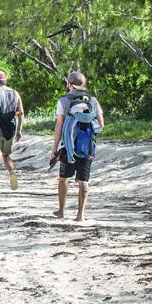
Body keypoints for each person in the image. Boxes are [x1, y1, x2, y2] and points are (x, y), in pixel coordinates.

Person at [51, 71, 105, 222]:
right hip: (87, 146)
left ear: (69, 84)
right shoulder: (93, 101)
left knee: (63, 178)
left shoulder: (63, 101)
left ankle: (61, 211)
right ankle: (80, 215)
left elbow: (59, 125)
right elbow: (101, 125)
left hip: (67, 146)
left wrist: (54, 148)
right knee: (84, 180)